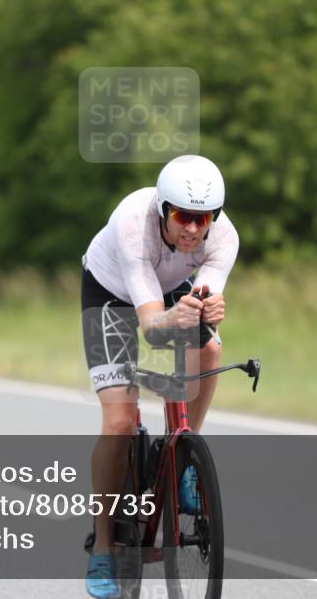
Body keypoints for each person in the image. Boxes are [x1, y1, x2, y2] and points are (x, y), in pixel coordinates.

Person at [80, 154, 239, 598]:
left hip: (170, 290)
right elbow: (151, 325)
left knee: (208, 344)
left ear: (215, 217)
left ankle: (186, 458)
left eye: (202, 218)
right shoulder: (134, 224)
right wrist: (175, 318)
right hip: (111, 293)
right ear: (163, 210)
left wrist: (208, 310)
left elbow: (204, 306)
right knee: (119, 422)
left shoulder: (224, 238)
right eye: (183, 216)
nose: (192, 229)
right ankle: (105, 549)